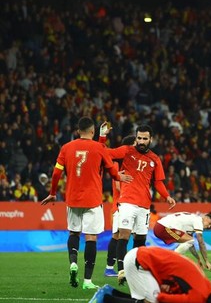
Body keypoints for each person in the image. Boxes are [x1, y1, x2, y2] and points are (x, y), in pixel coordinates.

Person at [40, 117, 132, 290]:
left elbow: (56, 174)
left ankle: (73, 263)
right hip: (93, 199)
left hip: (73, 199)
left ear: (77, 131)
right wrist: (120, 177)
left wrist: (53, 193)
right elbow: (112, 171)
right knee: (91, 237)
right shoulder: (99, 147)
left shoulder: (66, 148)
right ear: (92, 132)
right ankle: (87, 281)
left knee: (74, 233)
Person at [104, 124, 176, 284]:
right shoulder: (127, 151)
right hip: (127, 202)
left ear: (151, 139)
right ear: (136, 138)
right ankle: (122, 271)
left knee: (140, 238)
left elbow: (158, 182)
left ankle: (136, 269)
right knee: (123, 235)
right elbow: (104, 153)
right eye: (139, 138)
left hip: (144, 205)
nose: (141, 141)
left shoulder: (155, 159)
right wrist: (103, 137)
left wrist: (167, 196)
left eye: (145, 138)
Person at [84, 246, 211, 303]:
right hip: (141, 261)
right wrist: (164, 293)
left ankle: (111, 292)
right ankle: (107, 298)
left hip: (143, 258)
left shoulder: (207, 287)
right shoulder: (198, 299)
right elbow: (161, 297)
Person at [105, 135, 136, 278]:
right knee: (117, 236)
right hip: (119, 206)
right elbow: (117, 186)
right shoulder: (117, 165)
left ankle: (114, 268)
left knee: (119, 236)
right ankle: (112, 268)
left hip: (124, 205)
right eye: (134, 144)